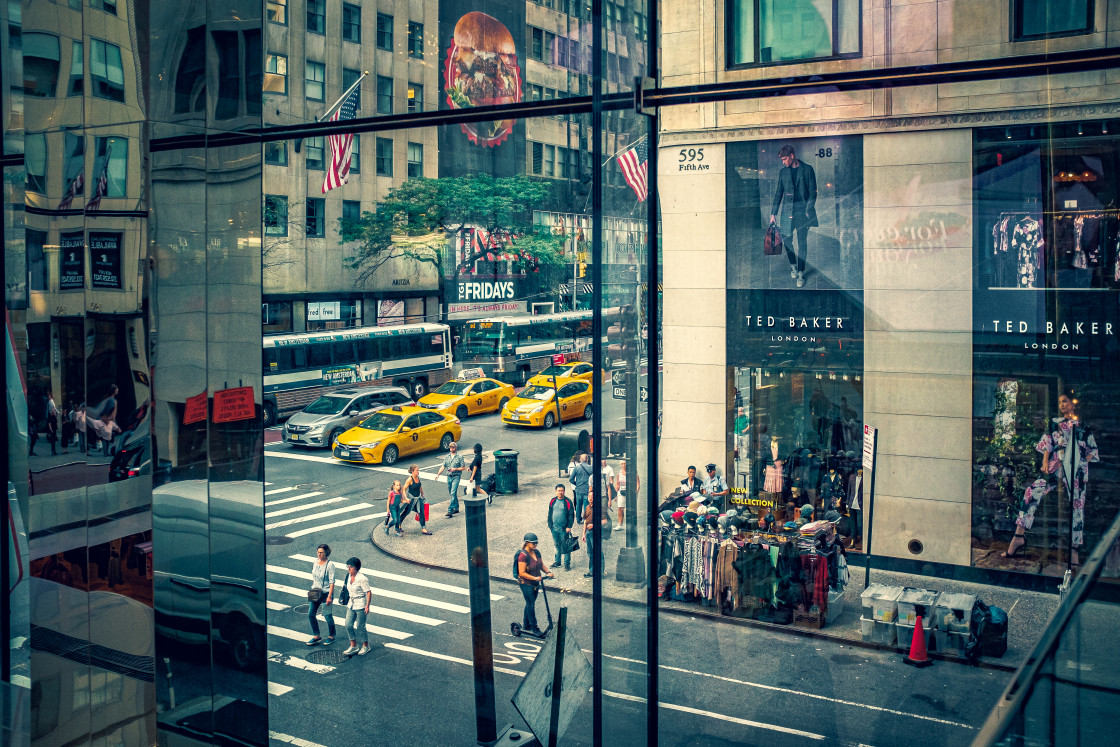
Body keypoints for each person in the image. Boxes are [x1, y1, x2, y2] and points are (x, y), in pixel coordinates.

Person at [769, 144, 818, 289]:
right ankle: (793, 266)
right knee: (787, 242)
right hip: (786, 213)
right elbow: (779, 193)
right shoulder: (783, 172)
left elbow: (813, 192)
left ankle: (801, 272)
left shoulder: (808, 169)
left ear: (792, 156)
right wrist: (773, 213)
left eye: (785, 159)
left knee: (802, 242)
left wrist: (808, 209)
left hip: (802, 213)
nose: (783, 162)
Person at [516, 534, 553, 635]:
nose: (536, 544)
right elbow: (521, 573)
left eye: (537, 542)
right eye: (534, 543)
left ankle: (526, 625)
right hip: (526, 584)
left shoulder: (536, 552)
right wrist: (535, 578)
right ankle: (534, 628)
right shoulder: (523, 555)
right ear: (527, 543)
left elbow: (541, 564)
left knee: (529, 603)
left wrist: (548, 572)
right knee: (531, 604)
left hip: (536, 583)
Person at [306, 543, 336, 645]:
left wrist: (329, 597)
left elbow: (332, 582)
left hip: (326, 593)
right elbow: (314, 576)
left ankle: (332, 636)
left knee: (327, 615)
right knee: (311, 614)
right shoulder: (315, 562)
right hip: (315, 591)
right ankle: (316, 636)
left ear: (326, 553)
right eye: (318, 552)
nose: (319, 554)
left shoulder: (330, 565)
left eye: (321, 552)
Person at [343, 556, 372, 656]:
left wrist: (367, 606)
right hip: (351, 604)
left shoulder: (362, 579)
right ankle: (354, 646)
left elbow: (368, 592)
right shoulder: (349, 576)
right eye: (348, 567)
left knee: (360, 626)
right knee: (348, 624)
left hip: (360, 604)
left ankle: (366, 645)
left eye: (350, 567)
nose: (349, 569)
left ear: (356, 567)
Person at [547, 484, 576, 571]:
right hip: (554, 529)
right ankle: (558, 562)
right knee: (557, 545)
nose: (560, 492)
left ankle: (567, 564)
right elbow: (550, 513)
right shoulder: (552, 501)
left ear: (564, 491)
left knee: (566, 546)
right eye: (559, 490)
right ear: (556, 491)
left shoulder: (567, 501)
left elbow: (571, 515)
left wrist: (569, 526)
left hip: (564, 529)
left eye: (562, 490)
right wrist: (550, 525)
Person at [581, 489, 608, 577]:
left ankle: (601, 572)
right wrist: (583, 534)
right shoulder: (587, 507)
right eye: (589, 496)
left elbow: (604, 521)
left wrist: (594, 525)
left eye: (592, 497)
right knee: (590, 553)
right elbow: (585, 521)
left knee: (598, 552)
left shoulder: (599, 508)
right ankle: (592, 571)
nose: (591, 498)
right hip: (588, 533)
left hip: (596, 533)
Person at [437, 442, 466, 518]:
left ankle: (450, 510)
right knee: (452, 493)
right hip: (449, 476)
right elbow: (443, 466)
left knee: (453, 492)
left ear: (455, 448)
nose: (451, 449)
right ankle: (456, 507)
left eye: (453, 448)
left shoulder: (460, 457)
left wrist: (455, 469)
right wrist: (438, 474)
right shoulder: (447, 457)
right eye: (450, 448)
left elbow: (463, 467)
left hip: (456, 476)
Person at [404, 465, 431, 536]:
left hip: (418, 498)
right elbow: (404, 489)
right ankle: (399, 524)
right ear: (412, 471)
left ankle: (423, 528)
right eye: (417, 470)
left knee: (421, 512)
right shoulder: (409, 479)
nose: (418, 472)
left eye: (418, 470)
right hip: (412, 499)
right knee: (406, 512)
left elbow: (420, 486)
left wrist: (422, 494)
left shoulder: (417, 477)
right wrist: (406, 498)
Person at [568, 451, 593, 521]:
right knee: (586, 505)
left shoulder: (577, 468)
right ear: (587, 459)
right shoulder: (591, 468)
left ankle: (578, 519)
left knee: (578, 505)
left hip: (578, 489)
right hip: (587, 489)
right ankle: (586, 519)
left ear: (580, 459)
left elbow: (571, 479)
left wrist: (576, 484)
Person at [615, 458, 638, 531]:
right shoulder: (619, 473)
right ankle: (620, 524)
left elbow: (637, 483)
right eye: (622, 464)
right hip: (621, 491)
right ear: (620, 465)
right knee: (620, 508)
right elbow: (617, 484)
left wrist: (636, 492)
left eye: (625, 463)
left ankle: (632, 525)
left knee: (630, 508)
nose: (623, 465)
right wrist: (615, 495)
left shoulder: (633, 473)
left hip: (630, 491)